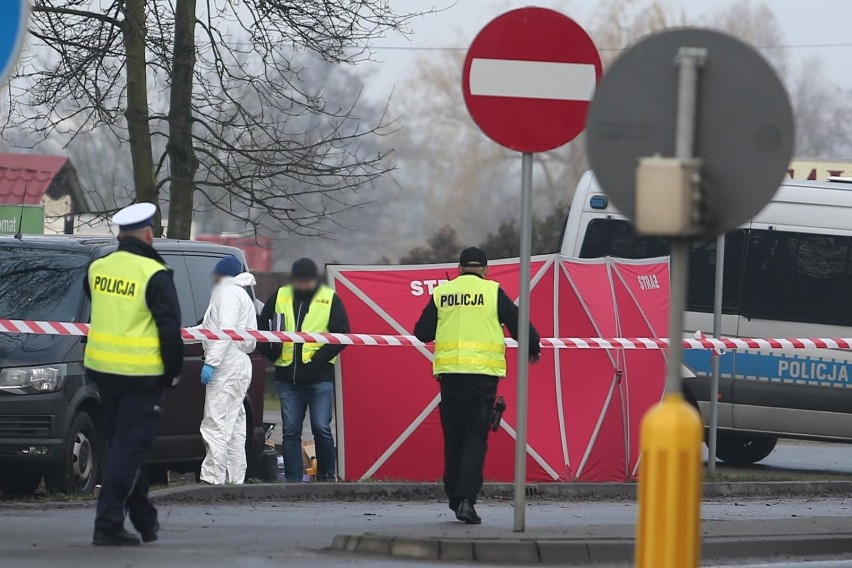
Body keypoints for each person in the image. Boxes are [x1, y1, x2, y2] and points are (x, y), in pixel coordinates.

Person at [413, 247, 541, 525]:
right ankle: (467, 500)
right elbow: (518, 321)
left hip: (450, 378)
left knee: (454, 438)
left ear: (459, 269)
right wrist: (533, 345)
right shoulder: (493, 291)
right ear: (486, 270)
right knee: (475, 439)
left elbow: (421, 332)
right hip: (483, 378)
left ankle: (454, 496)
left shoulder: (442, 293)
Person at [84, 202, 183, 546]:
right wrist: (172, 372)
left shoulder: (98, 267)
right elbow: (170, 330)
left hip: (102, 373)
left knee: (124, 449)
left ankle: (144, 520)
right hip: (141, 377)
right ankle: (107, 524)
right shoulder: (154, 273)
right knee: (127, 451)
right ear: (147, 234)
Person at [258, 258, 350, 482]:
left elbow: (342, 335)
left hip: (319, 378)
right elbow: (261, 325)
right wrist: (270, 351)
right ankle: (293, 481)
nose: (302, 285)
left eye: (306, 281)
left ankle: (327, 478)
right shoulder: (281, 295)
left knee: (321, 428)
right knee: (290, 432)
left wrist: (318, 360)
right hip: (289, 377)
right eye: (299, 281)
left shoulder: (329, 299)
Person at [197, 256, 258, 485]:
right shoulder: (240, 294)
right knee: (234, 425)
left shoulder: (227, 293)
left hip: (226, 362)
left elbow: (225, 332)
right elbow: (209, 328)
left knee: (215, 421)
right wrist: (184, 334)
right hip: (239, 361)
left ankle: (213, 478)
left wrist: (211, 362)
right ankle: (235, 478)